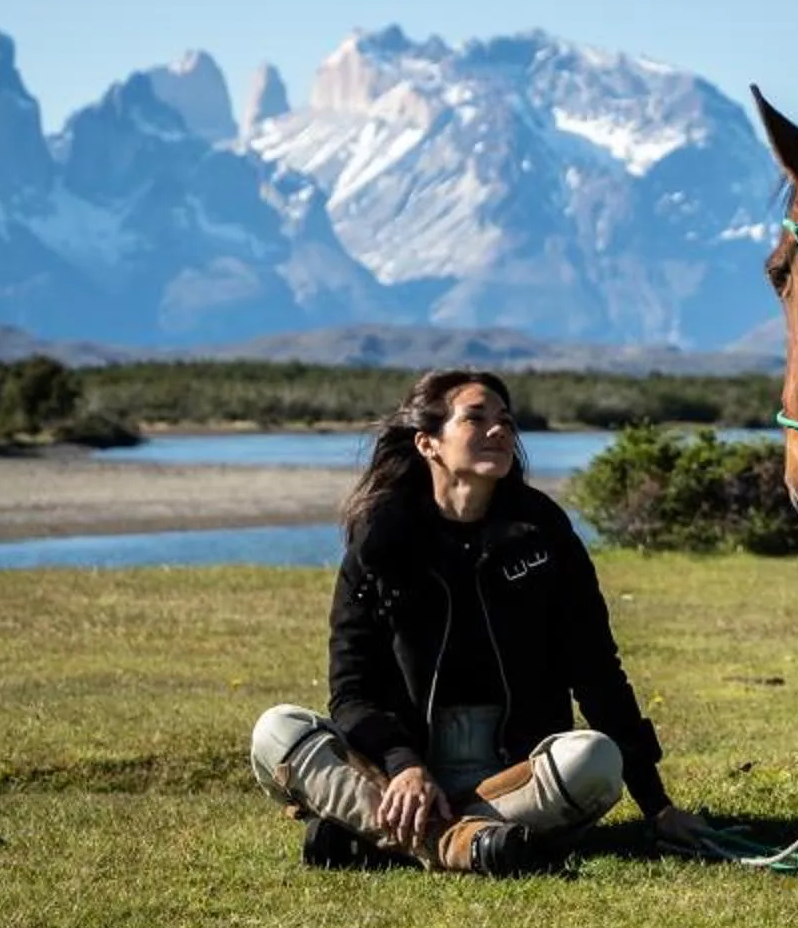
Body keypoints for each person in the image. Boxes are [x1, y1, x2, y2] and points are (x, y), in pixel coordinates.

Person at [248, 369, 706, 872]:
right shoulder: (380, 541)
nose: (500, 430)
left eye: (506, 420)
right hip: (401, 768)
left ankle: (394, 837)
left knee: (595, 762)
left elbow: (597, 672)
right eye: (476, 418)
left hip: (515, 775)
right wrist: (405, 766)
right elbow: (352, 691)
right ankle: (466, 844)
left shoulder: (544, 534)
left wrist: (657, 807)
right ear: (428, 443)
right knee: (277, 732)